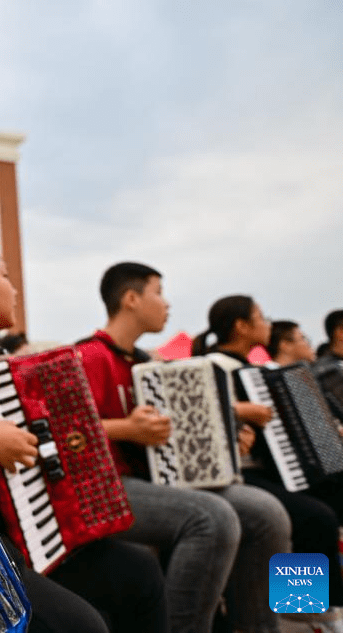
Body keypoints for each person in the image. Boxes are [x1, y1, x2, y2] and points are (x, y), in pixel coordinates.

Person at [0, 235, 168, 633]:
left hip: (24, 534)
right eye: (5, 275)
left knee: (139, 572)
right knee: (84, 626)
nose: (14, 289)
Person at [78, 264, 290, 633]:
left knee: (280, 512)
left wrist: (227, 442)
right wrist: (128, 429)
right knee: (294, 515)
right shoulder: (91, 356)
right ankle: (317, 609)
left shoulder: (148, 363)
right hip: (114, 483)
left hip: (175, 478)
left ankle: (274, 620)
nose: (168, 303)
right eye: (159, 292)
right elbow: (69, 432)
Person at [195, 300, 343, 632]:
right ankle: (303, 605)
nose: (268, 323)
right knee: (313, 515)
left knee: (339, 487)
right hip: (237, 472)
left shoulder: (254, 370)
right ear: (242, 326)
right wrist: (240, 411)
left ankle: (322, 602)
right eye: (261, 318)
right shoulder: (210, 365)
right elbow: (200, 413)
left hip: (269, 469)